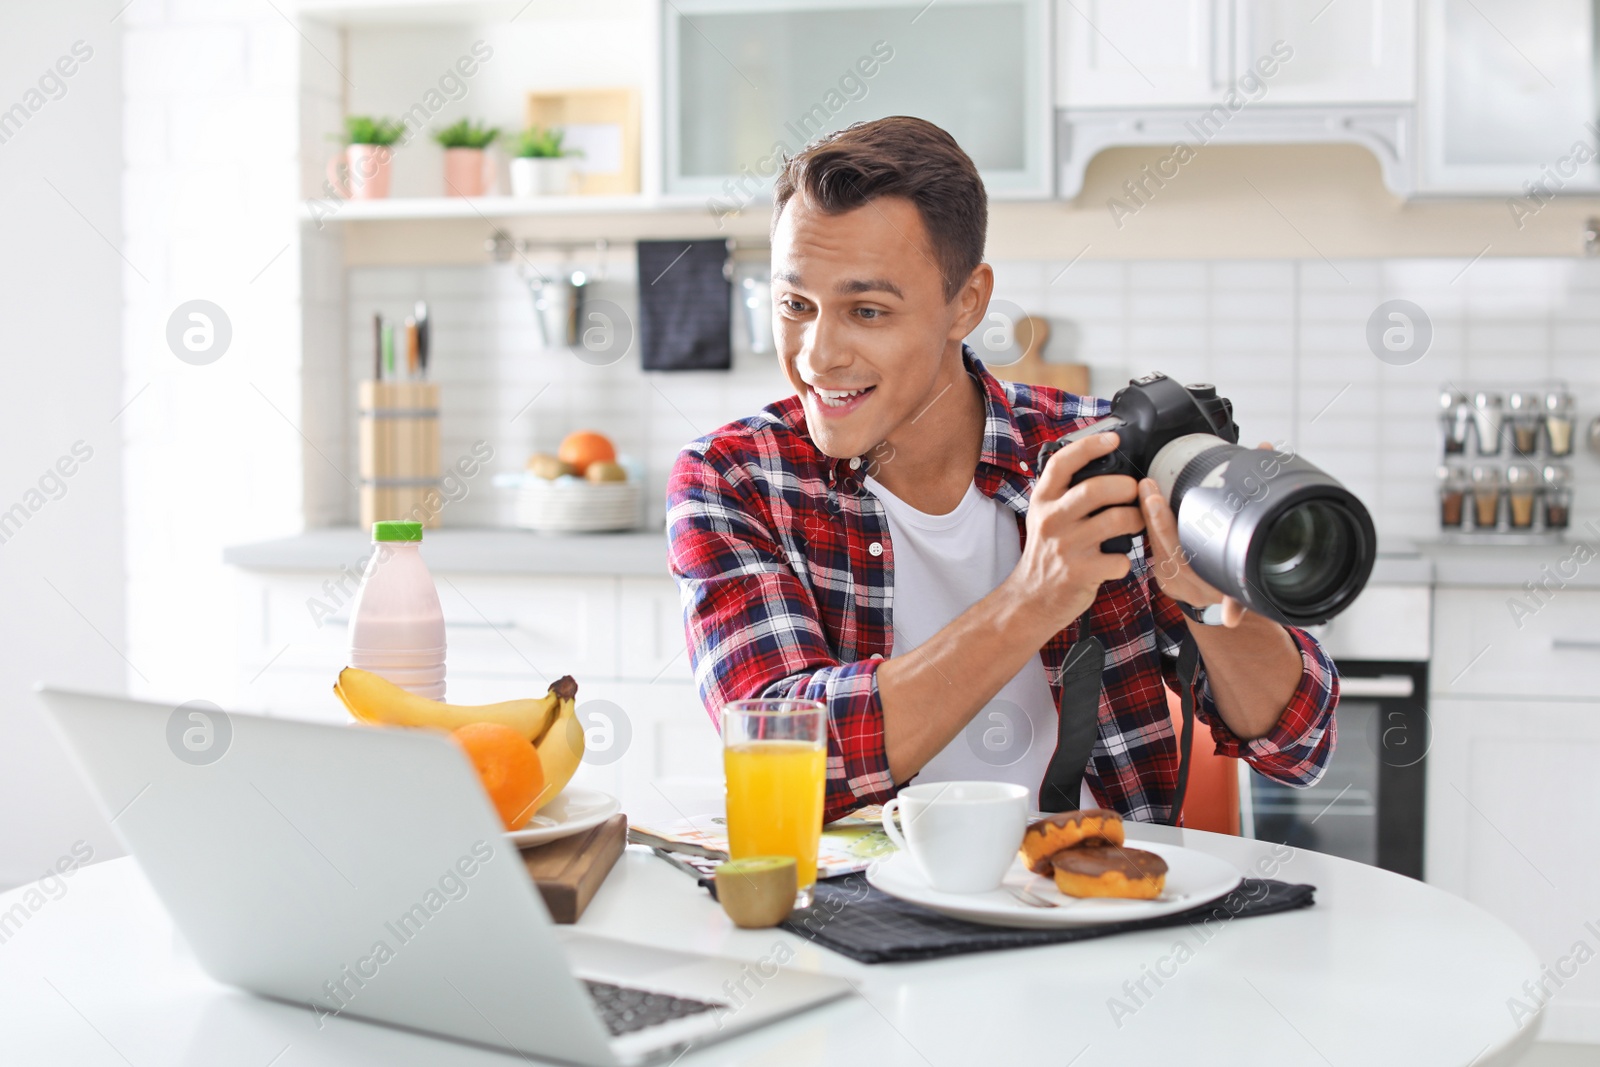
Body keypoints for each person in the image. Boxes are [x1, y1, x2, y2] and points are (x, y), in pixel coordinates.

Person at [666, 116, 1338, 825]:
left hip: (1097, 903)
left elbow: (1298, 743)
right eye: (795, 305)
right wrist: (1035, 597)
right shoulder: (733, 480)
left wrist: (1207, 604)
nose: (817, 356)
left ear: (967, 303)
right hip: (858, 919)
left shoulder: (1095, 452)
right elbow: (793, 758)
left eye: (867, 310)